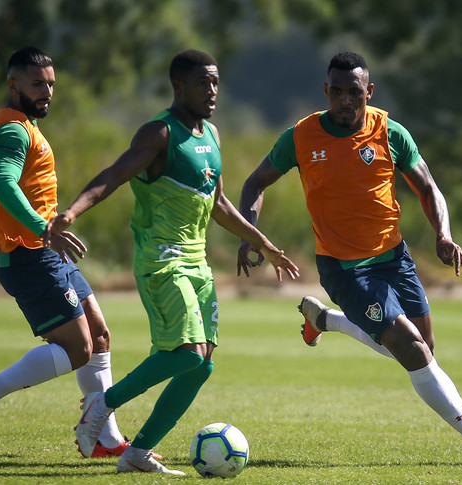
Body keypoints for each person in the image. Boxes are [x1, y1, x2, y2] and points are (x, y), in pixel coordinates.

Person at [236, 51, 462, 467]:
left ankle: (325, 321)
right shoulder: (301, 137)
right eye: (338, 92)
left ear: (370, 92)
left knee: (424, 346)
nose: (346, 101)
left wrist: (443, 233)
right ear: (326, 91)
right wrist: (249, 235)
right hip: (344, 268)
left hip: (395, 259)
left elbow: (428, 187)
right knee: (413, 350)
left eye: (355, 93)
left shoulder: (390, 132)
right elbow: (256, 181)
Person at [45, 49, 299, 475]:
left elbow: (218, 204)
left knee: (202, 364)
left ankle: (138, 452)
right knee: (186, 353)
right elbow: (112, 176)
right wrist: (70, 213)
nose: (212, 90)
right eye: (202, 83)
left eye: (215, 82)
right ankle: (100, 406)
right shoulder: (159, 133)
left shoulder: (213, 136)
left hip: (197, 266)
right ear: (179, 86)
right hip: (161, 260)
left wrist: (263, 243)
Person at [0, 46, 132, 458]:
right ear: (13, 84)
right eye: (37, 84)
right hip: (28, 254)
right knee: (78, 349)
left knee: (100, 336)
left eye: (51, 84)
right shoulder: (13, 129)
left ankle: (105, 439)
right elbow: (2, 184)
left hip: (47, 253)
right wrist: (45, 230)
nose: (47, 91)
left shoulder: (24, 125)